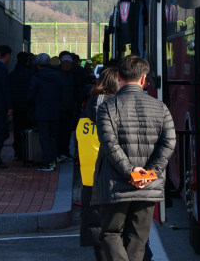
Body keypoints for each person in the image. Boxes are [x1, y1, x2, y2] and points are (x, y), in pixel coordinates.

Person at [92, 55, 176, 261]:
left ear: (119, 76)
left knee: (111, 233)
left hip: (115, 184)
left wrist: (130, 171)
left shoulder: (107, 108)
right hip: (148, 186)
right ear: (143, 79)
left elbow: (109, 144)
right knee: (138, 238)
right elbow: (169, 143)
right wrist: (150, 172)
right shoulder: (161, 107)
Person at [79, 68, 120, 261]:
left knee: (97, 230)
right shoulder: (118, 113)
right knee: (120, 231)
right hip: (117, 178)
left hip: (90, 181)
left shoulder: (85, 114)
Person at [27, 53, 61, 172]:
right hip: (55, 110)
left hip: (41, 111)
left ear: (37, 64)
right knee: (52, 136)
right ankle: (52, 160)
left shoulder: (35, 77)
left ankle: (46, 163)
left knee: (44, 137)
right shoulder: (56, 76)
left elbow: (30, 94)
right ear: (49, 63)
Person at [9, 52, 34, 160]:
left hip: (16, 106)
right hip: (28, 106)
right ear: (28, 61)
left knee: (17, 129)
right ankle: (27, 151)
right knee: (28, 128)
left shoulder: (11, 75)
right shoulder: (31, 74)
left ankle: (17, 151)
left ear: (17, 60)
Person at [57, 55, 80, 162]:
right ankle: (60, 152)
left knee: (67, 131)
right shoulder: (57, 75)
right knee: (60, 131)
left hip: (69, 107)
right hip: (60, 108)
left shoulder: (72, 76)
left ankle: (64, 151)